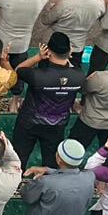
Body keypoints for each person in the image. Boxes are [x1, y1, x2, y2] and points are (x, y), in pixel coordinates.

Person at [11, 32, 86, 168]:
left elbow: (19, 69)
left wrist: (38, 57)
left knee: (18, 159)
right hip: (57, 126)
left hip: (29, 123)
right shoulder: (79, 76)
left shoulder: (37, 75)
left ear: (48, 51)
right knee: (51, 163)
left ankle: (16, 184)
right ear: (70, 52)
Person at [38, 0, 105, 70]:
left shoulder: (64, 4)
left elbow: (45, 20)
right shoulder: (100, 3)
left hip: (54, 48)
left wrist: (51, 7)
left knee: (46, 75)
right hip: (77, 48)